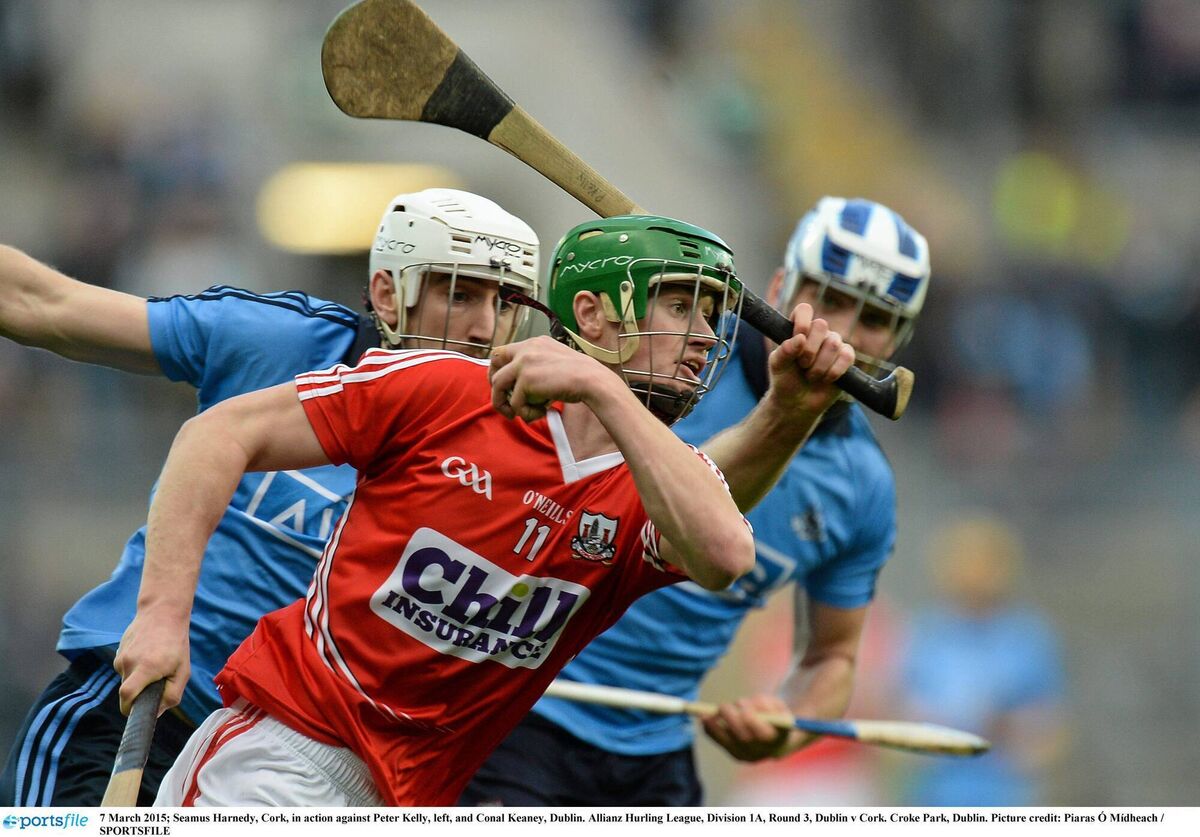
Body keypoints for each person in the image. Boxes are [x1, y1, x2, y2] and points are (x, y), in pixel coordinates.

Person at [116, 214, 853, 807]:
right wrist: (159, 614)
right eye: (679, 304)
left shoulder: (657, 484)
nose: (702, 335)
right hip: (287, 757)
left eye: (714, 313)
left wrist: (608, 393)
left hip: (414, 798)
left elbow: (727, 556)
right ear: (590, 314)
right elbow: (219, 433)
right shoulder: (445, 387)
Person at [0, 188, 540, 806]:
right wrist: (158, 614)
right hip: (142, 713)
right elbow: (41, 304)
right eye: (461, 294)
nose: (484, 327)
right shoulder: (283, 345)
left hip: (291, 770)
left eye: (505, 303)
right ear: (391, 294)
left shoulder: (514, 453)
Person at [462, 196, 932, 806]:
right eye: (831, 298)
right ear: (782, 285)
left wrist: (785, 724)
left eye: (875, 318)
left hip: (654, 741)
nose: (841, 331)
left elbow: (833, 657)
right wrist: (786, 416)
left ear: (900, 340)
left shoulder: (862, 486)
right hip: (521, 697)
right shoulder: (672, 364)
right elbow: (679, 518)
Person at [897, 514, 1068, 806]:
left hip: (1004, 795)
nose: (973, 573)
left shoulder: (1028, 638)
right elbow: (898, 722)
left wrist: (1011, 730)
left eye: (984, 562)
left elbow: (1051, 732)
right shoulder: (925, 635)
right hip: (935, 794)